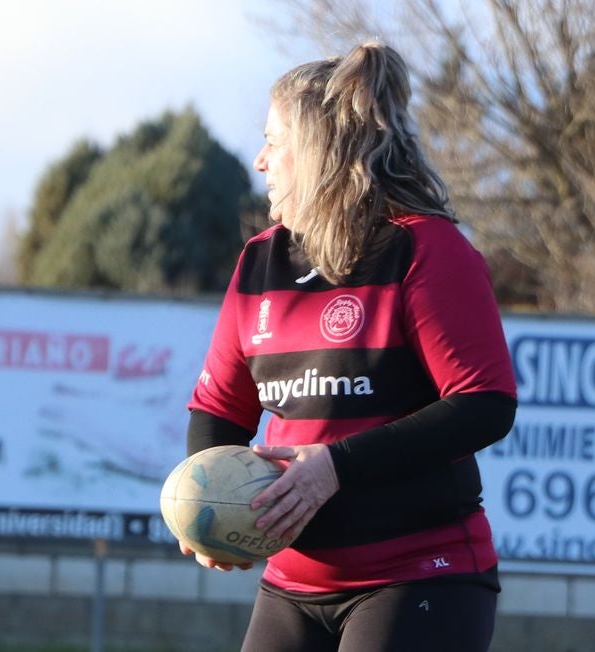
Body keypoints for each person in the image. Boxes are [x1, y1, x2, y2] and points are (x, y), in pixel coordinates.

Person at [181, 41, 517, 652]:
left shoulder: (426, 250)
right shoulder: (260, 262)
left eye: (274, 140)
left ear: (316, 151)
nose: (260, 161)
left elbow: (484, 403)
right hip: (292, 584)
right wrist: (209, 504)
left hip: (421, 575)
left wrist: (335, 469)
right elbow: (219, 413)